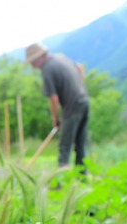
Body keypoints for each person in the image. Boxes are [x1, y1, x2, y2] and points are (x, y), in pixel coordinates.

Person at [25, 42, 89, 171]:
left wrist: (55, 119)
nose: (32, 66)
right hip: (84, 101)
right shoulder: (60, 57)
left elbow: (53, 98)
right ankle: (82, 178)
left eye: (32, 62)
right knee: (80, 144)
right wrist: (80, 87)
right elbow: (80, 68)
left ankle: (61, 180)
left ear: (39, 58)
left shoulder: (47, 69)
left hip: (71, 106)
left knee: (64, 146)